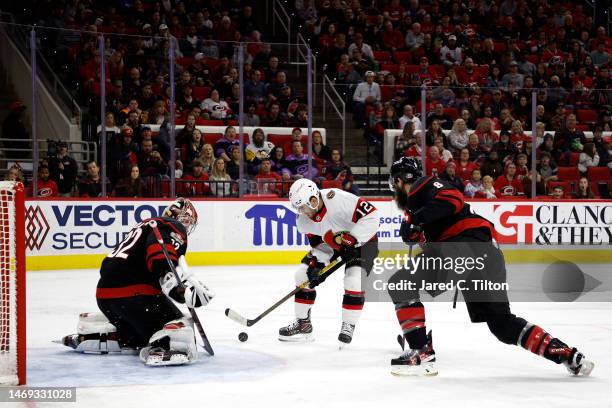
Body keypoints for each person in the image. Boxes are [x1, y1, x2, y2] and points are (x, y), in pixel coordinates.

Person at [386, 157, 594, 376]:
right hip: (488, 256)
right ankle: (567, 354)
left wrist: (416, 221)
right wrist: (415, 228)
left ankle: (421, 351)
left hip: (465, 248)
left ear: (400, 181)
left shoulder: (422, 185)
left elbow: (452, 199)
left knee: (401, 284)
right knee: (502, 325)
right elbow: (417, 234)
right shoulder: (419, 204)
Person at [60, 198, 214, 366]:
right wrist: (182, 289)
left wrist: (182, 292)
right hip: (133, 295)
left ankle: (118, 336)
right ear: (183, 218)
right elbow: (160, 259)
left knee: (140, 334)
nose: (187, 227)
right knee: (181, 326)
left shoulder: (146, 226)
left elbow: (157, 275)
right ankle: (165, 346)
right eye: (188, 222)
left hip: (106, 297)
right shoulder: (171, 226)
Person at [278, 179, 379, 346]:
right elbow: (320, 245)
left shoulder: (338, 199)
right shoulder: (303, 221)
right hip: (334, 245)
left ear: (313, 200)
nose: (300, 211)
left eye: (302, 206)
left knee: (354, 280)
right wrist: (317, 265)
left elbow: (372, 216)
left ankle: (348, 325)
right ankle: (303, 324)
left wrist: (353, 239)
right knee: (302, 276)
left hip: (363, 243)